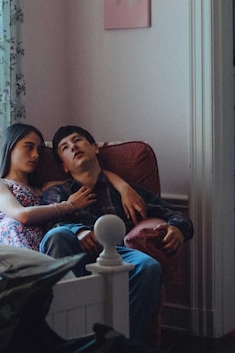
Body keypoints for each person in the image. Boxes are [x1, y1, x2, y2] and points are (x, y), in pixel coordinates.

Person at [39, 125, 194, 344]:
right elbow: (50, 225)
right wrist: (78, 231)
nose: (73, 146)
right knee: (59, 235)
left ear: (94, 148)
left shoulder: (127, 192)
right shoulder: (58, 192)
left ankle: (117, 345)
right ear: (64, 166)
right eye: (65, 147)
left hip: (116, 253)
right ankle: (73, 339)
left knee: (148, 267)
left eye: (78, 140)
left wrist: (178, 228)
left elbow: (175, 213)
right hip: (74, 250)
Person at [0, 123, 147, 251]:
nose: (35, 155)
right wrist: (68, 206)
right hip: (12, 241)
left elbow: (90, 177)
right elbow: (22, 215)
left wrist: (123, 187)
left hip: (43, 244)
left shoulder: (42, 189)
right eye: (28, 147)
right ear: (10, 146)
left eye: (38, 150)